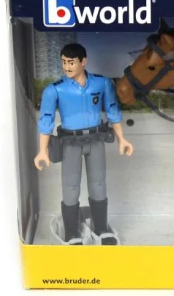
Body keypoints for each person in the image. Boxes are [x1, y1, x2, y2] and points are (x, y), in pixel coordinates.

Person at [34, 43, 133, 245]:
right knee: (70, 186)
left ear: (83, 61)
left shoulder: (101, 84)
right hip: (70, 143)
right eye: (63, 62)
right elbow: (46, 121)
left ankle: (101, 228)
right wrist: (42, 151)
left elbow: (112, 110)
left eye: (71, 62)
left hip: (96, 140)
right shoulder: (55, 90)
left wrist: (121, 139)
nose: (66, 67)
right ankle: (72, 233)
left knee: (99, 184)